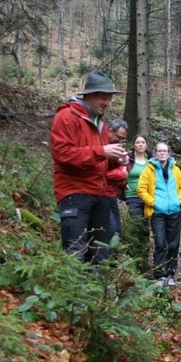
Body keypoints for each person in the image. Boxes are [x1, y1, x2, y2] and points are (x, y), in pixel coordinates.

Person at [50, 69, 127, 264]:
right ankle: (74, 294)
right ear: (90, 95)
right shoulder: (66, 116)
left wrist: (115, 159)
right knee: (76, 250)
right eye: (104, 98)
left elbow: (98, 162)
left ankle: (97, 293)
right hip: (74, 195)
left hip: (99, 195)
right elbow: (62, 154)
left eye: (109, 99)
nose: (107, 103)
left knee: (101, 252)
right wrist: (103, 152)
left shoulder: (101, 123)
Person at [137, 142, 181, 286]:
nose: (162, 153)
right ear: (155, 153)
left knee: (173, 244)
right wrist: (153, 203)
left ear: (169, 153)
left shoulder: (176, 170)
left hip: (174, 212)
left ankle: (170, 274)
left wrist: (179, 200)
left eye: (164, 151)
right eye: (159, 151)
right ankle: (160, 275)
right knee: (160, 243)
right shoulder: (149, 170)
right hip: (157, 213)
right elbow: (141, 190)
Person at [106, 119, 129, 245]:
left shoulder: (115, 147)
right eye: (119, 137)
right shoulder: (102, 147)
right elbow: (100, 173)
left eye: (123, 139)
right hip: (100, 193)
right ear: (110, 131)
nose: (120, 142)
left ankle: (113, 262)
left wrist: (121, 163)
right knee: (111, 230)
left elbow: (115, 168)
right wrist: (122, 173)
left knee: (117, 232)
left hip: (111, 194)